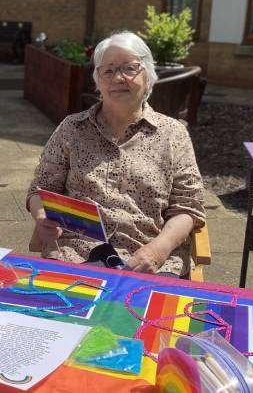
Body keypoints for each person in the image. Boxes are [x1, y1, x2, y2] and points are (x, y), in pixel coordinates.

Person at [27, 31, 205, 278]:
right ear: (97, 81)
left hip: (151, 259)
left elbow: (188, 207)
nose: (118, 78)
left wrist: (158, 250)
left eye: (129, 68)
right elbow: (40, 189)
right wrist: (41, 215)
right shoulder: (72, 128)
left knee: (150, 315)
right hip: (78, 255)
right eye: (107, 71)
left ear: (148, 76)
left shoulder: (173, 134)